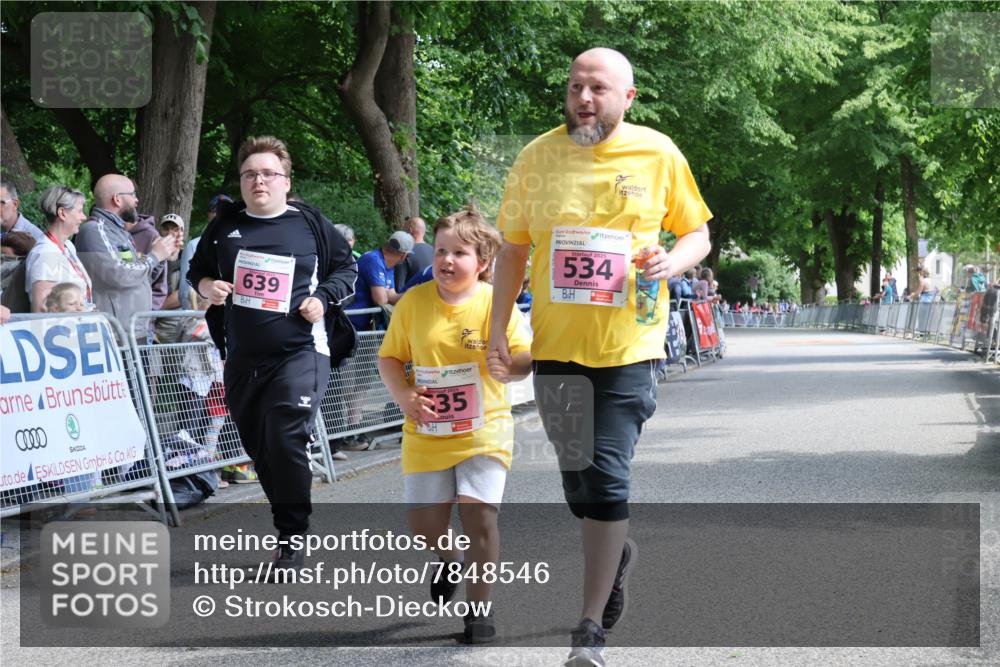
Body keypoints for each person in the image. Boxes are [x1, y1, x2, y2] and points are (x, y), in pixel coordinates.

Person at [488, 47, 712, 667]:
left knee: (609, 476)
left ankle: (587, 628)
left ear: (628, 97)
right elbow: (510, 251)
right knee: (579, 483)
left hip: (630, 347)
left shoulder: (658, 152)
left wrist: (675, 260)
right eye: (576, 87)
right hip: (557, 349)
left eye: (599, 89)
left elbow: (697, 232)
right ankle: (617, 561)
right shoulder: (536, 157)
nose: (585, 98)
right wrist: (498, 325)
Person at [187, 135, 357, 570]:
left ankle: (292, 534)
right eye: (249, 174)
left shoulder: (309, 223)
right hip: (243, 356)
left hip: (302, 348)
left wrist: (323, 297)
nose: (258, 180)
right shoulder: (224, 227)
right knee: (260, 446)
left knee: (284, 433)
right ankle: (288, 518)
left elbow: (346, 268)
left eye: (267, 174)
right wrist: (208, 287)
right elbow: (197, 271)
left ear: (285, 181)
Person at [378, 205, 532, 644]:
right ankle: (449, 556)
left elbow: (523, 357)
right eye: (441, 251)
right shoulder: (413, 303)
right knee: (425, 525)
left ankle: (479, 611)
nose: (445, 260)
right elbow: (389, 357)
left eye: (459, 253)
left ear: (482, 262)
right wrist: (404, 396)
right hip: (427, 429)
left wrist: (513, 366)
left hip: (485, 426)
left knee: (479, 516)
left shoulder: (494, 304)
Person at [74, 174, 178, 340]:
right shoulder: (95, 230)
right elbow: (120, 275)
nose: (136, 200)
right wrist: (154, 256)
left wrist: (162, 255)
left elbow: (139, 275)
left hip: (133, 330)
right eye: (133, 194)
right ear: (117, 199)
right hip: (115, 334)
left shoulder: (121, 233)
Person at [24, 185, 95, 313]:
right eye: (79, 211)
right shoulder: (45, 254)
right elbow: (41, 311)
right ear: (62, 213)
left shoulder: (68, 246)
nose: (84, 217)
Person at [349, 230, 414, 330]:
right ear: (404, 255)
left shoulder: (389, 265)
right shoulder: (373, 260)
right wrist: (383, 293)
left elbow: (392, 297)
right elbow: (381, 300)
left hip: (360, 325)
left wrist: (410, 294)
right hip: (349, 322)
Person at [179, 195, 232, 311]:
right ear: (209, 215)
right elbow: (185, 292)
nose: (220, 213)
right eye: (215, 210)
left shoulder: (243, 245)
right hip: (203, 318)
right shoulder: (194, 245)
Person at [394, 216, 434, 289]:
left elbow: (398, 288)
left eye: (404, 229)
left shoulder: (404, 252)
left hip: (411, 298)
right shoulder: (435, 252)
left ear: (410, 230)